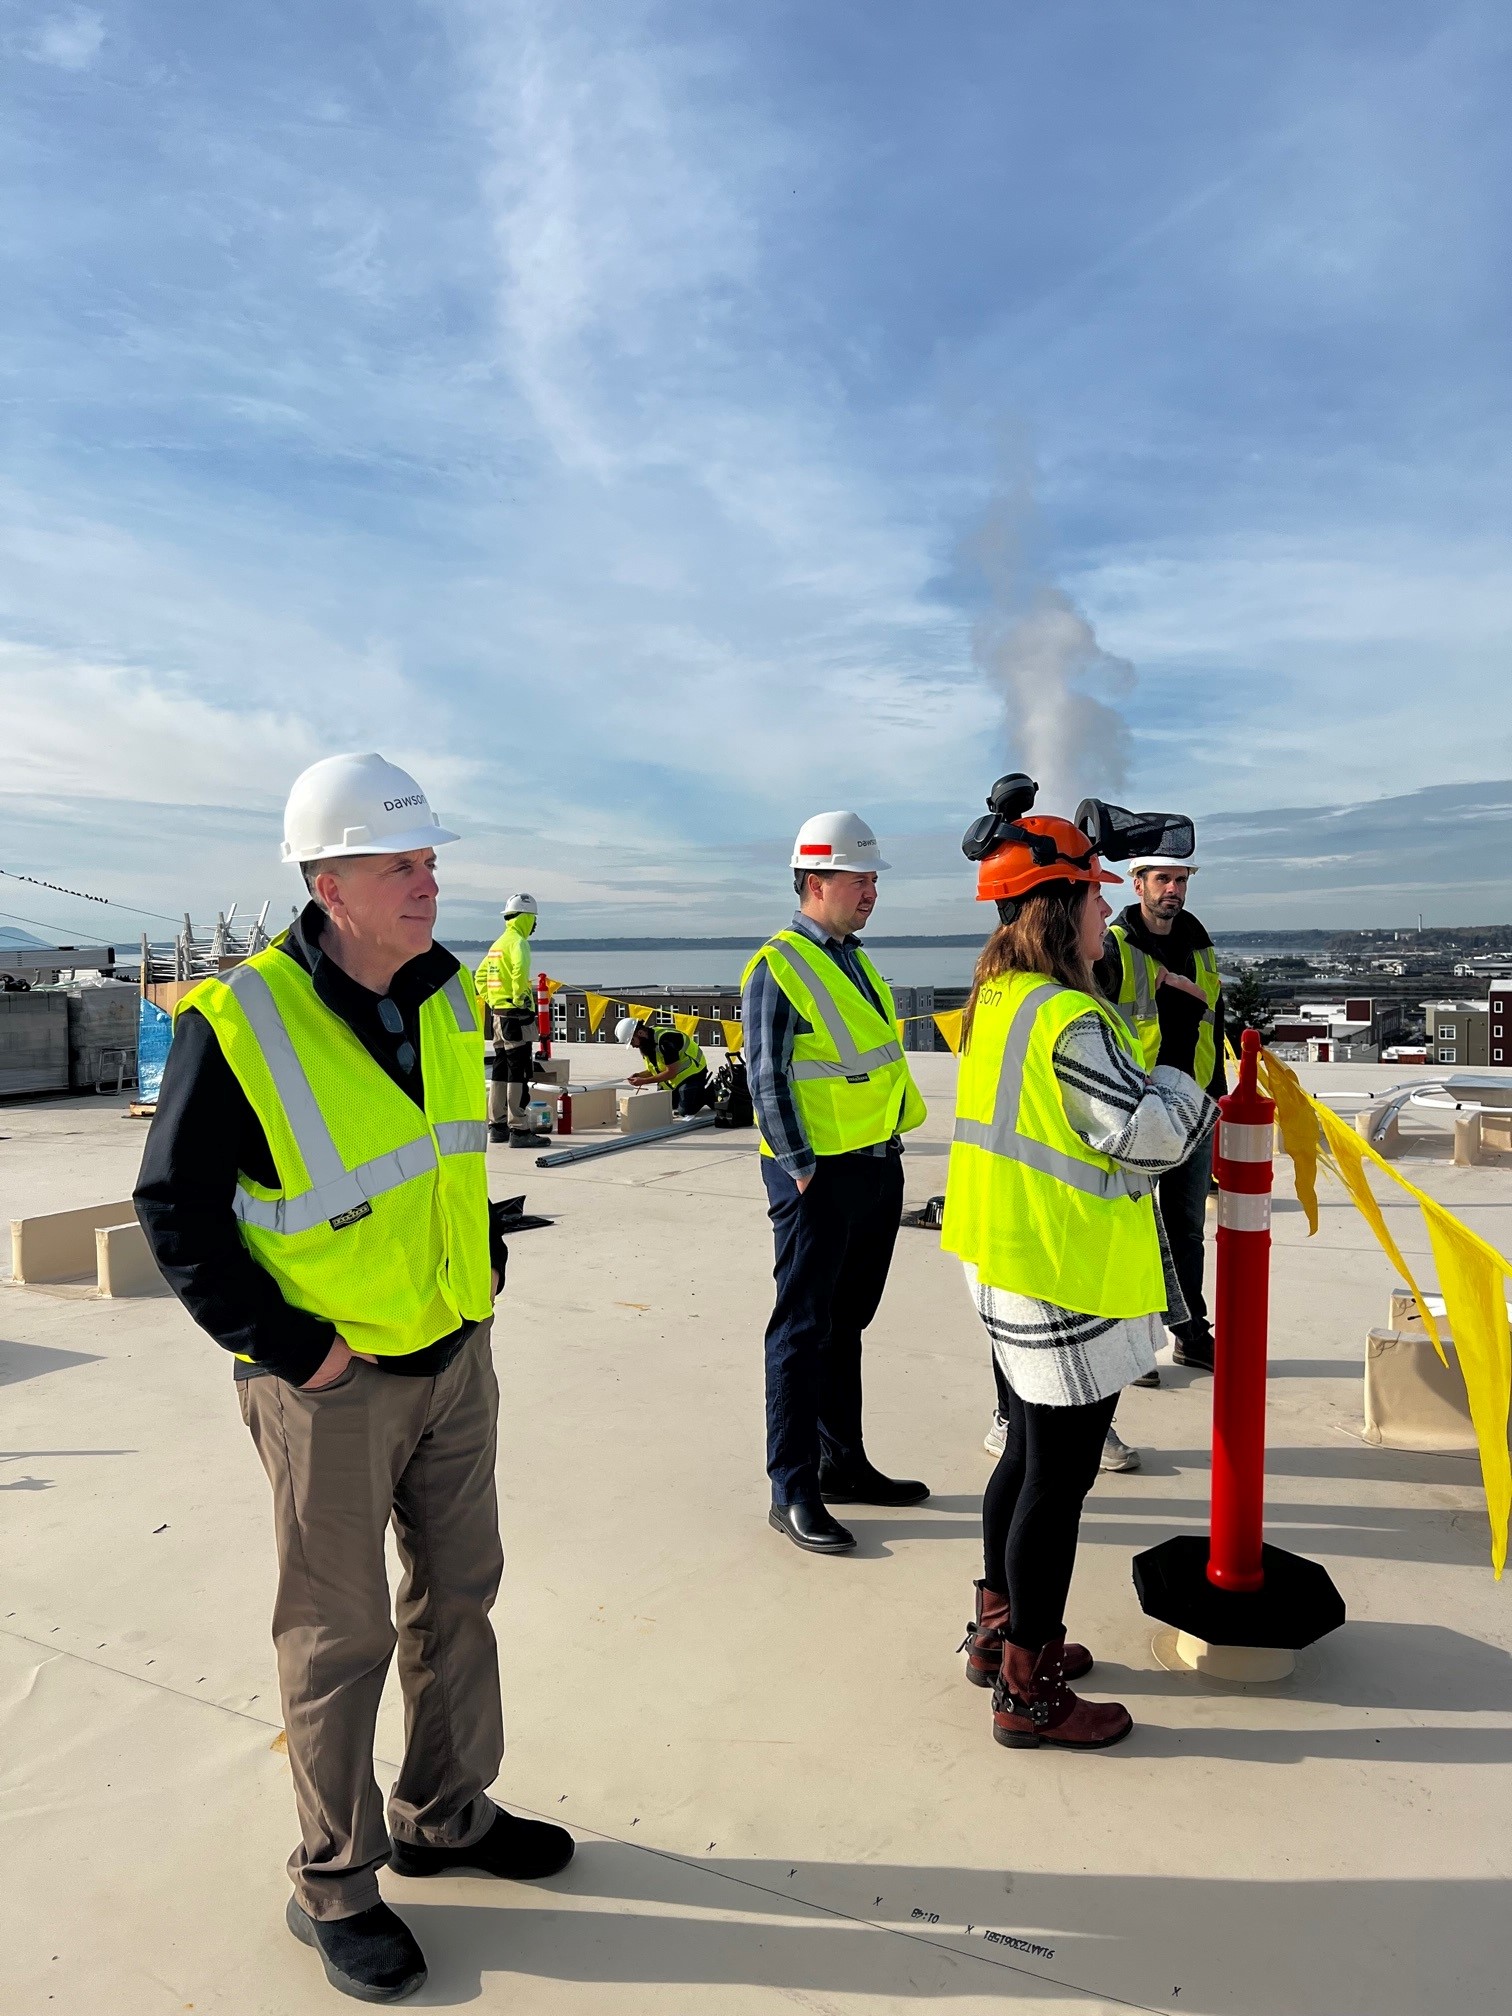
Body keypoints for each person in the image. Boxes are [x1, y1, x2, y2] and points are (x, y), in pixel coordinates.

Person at [135, 753, 572, 2005]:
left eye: (431, 861)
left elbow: (433, 1159)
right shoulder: (244, 1019)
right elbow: (175, 1209)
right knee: (339, 1639)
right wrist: (295, 1350)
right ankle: (334, 1880)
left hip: (452, 1353)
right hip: (328, 1383)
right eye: (403, 866)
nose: (431, 884)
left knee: (460, 1594)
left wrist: (477, 1256)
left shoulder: (438, 996)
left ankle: (446, 1814)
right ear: (329, 882)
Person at [942, 807, 1216, 1750]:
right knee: (1055, 1485)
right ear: (1059, 913)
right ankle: (1028, 1685)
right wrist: (1183, 1066)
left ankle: (996, 1634)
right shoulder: (1065, 1017)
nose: (1108, 917)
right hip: (1063, 1276)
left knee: (1023, 1459)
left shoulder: (997, 1002)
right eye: (1096, 901)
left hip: (1007, 1259)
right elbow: (1147, 1138)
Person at [742, 810, 930, 1554]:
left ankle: (843, 1463)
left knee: (845, 1323)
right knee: (800, 1329)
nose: (871, 892)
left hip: (875, 1164)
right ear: (816, 882)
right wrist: (802, 1169)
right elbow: (766, 1074)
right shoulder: (778, 964)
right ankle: (792, 1485)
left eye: (874, 880)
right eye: (860, 879)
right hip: (818, 1178)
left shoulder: (854, 960)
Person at [1095, 851, 1224, 1377]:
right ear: (1138, 883)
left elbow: (1212, 1024)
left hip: (1192, 1104)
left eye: (1180, 879)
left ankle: (1191, 1332)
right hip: (1136, 1110)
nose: (1172, 889)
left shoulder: (1198, 943)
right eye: (1162, 879)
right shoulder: (1114, 948)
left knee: (1186, 1228)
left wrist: (1217, 1096)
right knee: (1133, 1229)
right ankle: (1135, 1348)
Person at [477, 893, 548, 1147]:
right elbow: (519, 972)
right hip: (515, 1018)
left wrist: (493, 999)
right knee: (518, 1070)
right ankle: (519, 1129)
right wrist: (520, 1000)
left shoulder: (497, 945)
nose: (536, 925)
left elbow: (480, 976)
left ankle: (497, 1126)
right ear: (526, 918)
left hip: (498, 1015)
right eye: (534, 919)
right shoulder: (518, 943)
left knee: (500, 1068)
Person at [615, 1013, 712, 1114]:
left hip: (693, 1073)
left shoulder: (665, 1041)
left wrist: (644, 1081)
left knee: (685, 1111)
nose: (633, 1045)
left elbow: (671, 1072)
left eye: (632, 1041)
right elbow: (656, 1068)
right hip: (675, 1078)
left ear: (640, 1033)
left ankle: (708, 1094)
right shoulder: (646, 1044)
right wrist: (640, 1075)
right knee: (665, 1106)